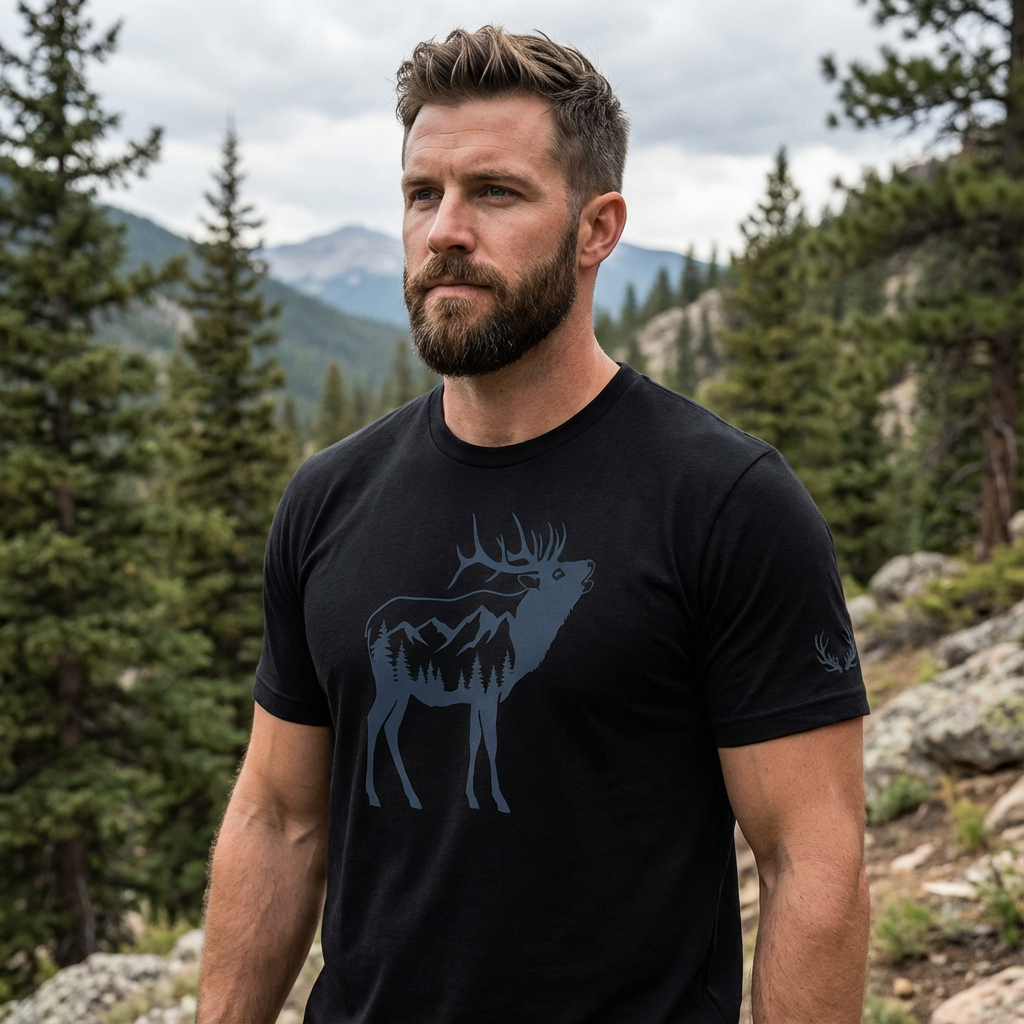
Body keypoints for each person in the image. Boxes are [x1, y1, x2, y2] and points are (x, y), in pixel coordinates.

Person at [197, 26, 870, 1024]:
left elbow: (813, 863)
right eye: (422, 194)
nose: (444, 231)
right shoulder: (330, 497)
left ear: (597, 228)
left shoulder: (726, 503)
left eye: (495, 193)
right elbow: (278, 818)